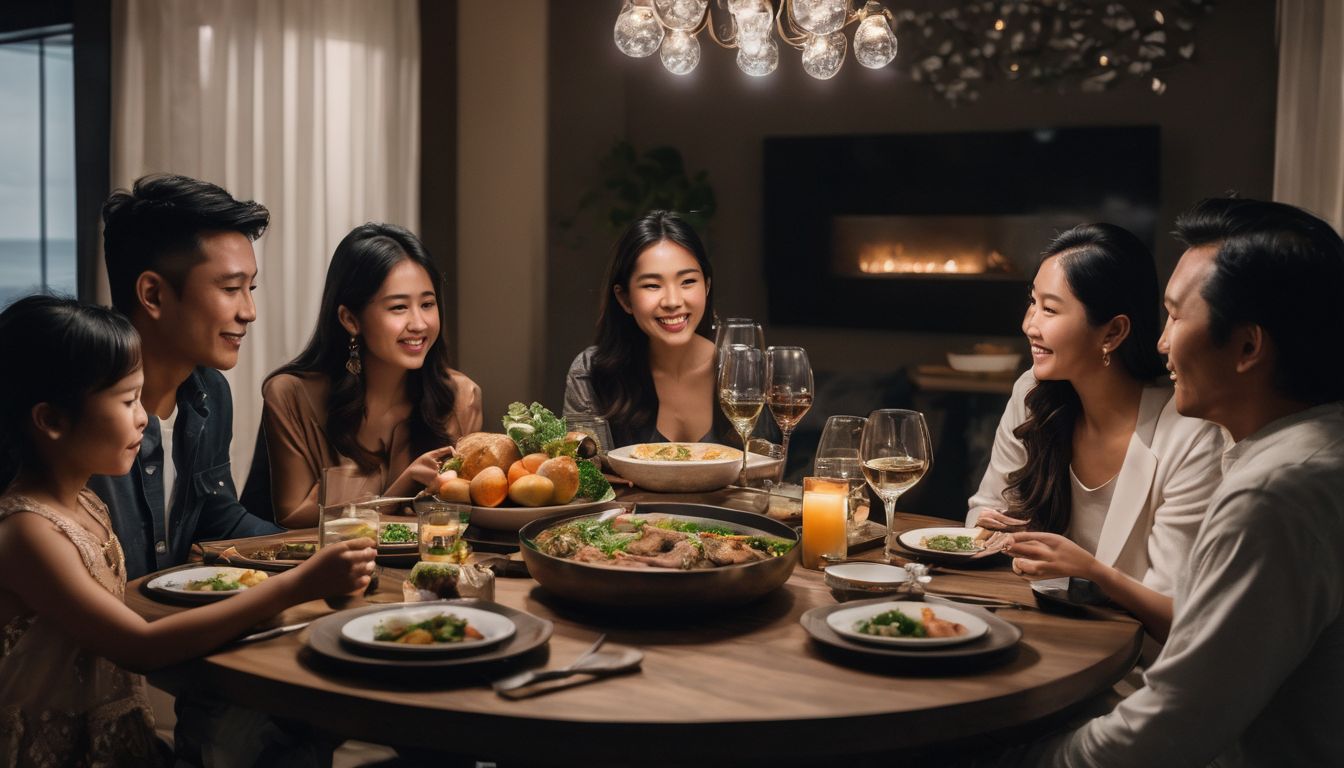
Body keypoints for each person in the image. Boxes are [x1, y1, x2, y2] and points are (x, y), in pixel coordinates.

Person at [1030, 198, 1344, 766]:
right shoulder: (1306, 450)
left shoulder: (1276, 495)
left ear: (1247, 347)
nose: (1160, 343)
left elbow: (1172, 725)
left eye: (1176, 317)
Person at [0, 296, 376, 767]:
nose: (143, 417)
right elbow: (139, 646)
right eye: (126, 400)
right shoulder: (28, 533)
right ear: (51, 420)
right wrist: (296, 585)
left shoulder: (85, 504)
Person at [967, 223, 1223, 639]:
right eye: (1032, 303)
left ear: (1113, 332)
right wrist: (996, 532)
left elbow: (1181, 618)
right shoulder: (1033, 393)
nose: (1029, 324)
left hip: (1131, 665)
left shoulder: (1188, 435)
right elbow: (983, 512)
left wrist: (1092, 575)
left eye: (1050, 310)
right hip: (1032, 630)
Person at [89, 174, 283, 581]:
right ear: (154, 295)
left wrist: (322, 549)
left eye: (251, 288)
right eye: (231, 288)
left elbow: (219, 518)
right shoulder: (83, 409)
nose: (249, 311)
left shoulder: (210, 393)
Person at [245, 223, 482, 528]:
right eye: (398, 307)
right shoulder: (291, 395)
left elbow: (460, 514)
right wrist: (401, 489)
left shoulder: (462, 397)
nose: (419, 323)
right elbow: (293, 517)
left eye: (427, 304)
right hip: (315, 572)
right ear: (350, 319)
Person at [564, 210, 731, 448]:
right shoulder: (591, 372)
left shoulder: (742, 372)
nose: (672, 301)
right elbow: (586, 477)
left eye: (688, 281)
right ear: (625, 299)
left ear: (706, 286)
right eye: (652, 285)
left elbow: (767, 472)